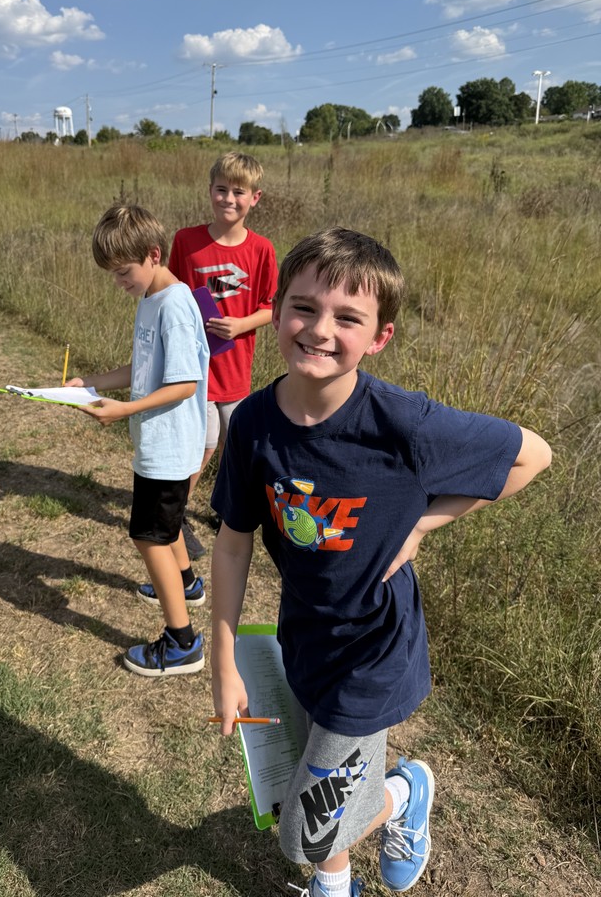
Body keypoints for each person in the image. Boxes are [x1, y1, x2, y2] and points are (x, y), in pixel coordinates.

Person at [210, 228, 552, 896]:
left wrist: (425, 522)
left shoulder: (403, 424)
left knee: (303, 829)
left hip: (374, 654)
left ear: (380, 338)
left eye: (348, 318)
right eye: (304, 307)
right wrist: (221, 658)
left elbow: (531, 455)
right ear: (276, 311)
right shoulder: (252, 423)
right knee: (322, 789)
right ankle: (334, 887)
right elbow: (231, 540)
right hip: (304, 639)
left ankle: (402, 793)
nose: (319, 329)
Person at [67, 204, 209, 677]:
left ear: (153, 254)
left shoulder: (174, 306)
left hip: (168, 448)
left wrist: (124, 409)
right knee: (163, 530)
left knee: (148, 536)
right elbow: (144, 370)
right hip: (158, 443)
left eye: (123, 272)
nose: (119, 282)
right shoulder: (151, 298)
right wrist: (91, 383)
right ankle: (186, 583)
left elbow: (185, 383)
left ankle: (182, 642)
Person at [169, 152, 278, 554]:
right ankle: (174, 514)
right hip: (194, 367)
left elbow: (272, 308)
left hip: (235, 368)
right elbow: (173, 294)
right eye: (221, 190)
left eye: (238, 192)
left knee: (237, 442)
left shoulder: (262, 250)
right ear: (209, 191)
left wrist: (240, 325)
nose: (228, 199)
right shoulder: (186, 241)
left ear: (255, 198)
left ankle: (227, 508)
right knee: (205, 441)